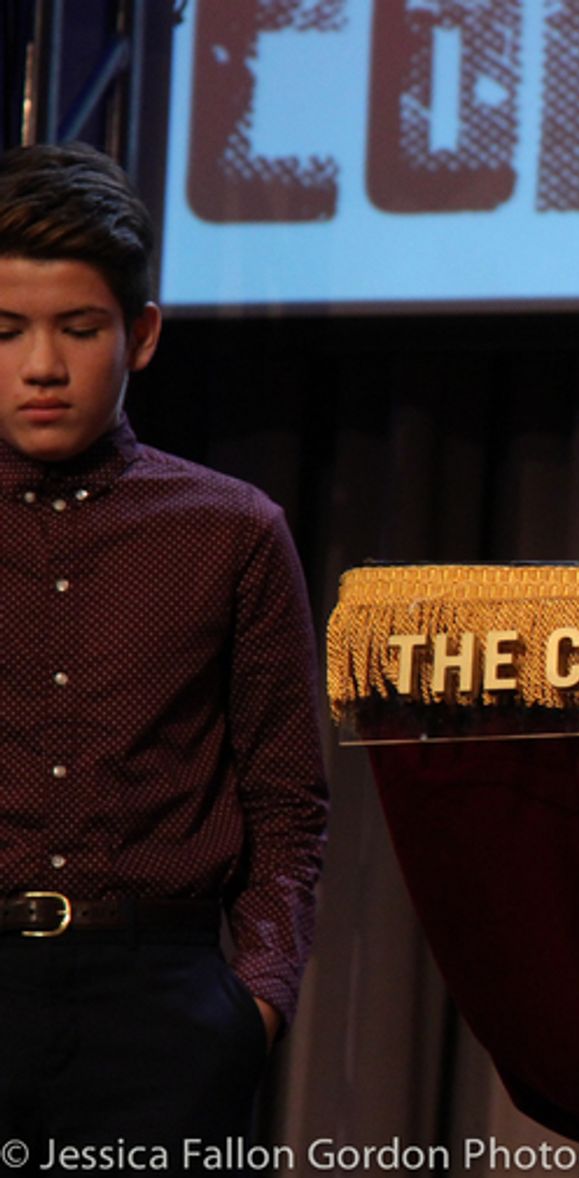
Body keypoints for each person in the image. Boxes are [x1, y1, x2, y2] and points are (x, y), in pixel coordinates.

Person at [0, 142, 328, 1171]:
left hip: (163, 1009)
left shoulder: (229, 529)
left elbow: (286, 802)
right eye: (5, 331)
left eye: (78, 327)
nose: (41, 364)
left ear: (139, 335)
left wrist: (255, 1002)